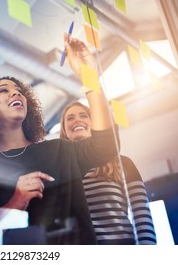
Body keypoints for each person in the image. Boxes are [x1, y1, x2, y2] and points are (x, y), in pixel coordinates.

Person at [0, 35, 118, 244]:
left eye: (19, 91)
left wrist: (90, 77)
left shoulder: (61, 150)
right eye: (4, 90)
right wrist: (15, 202)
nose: (16, 94)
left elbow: (106, 146)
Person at [59, 101, 157, 244]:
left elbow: (141, 213)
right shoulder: (58, 170)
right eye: (70, 118)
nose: (77, 120)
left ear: (95, 124)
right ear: (64, 131)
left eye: (83, 116)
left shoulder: (123, 163)